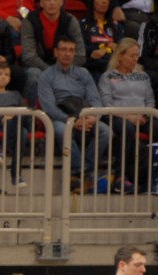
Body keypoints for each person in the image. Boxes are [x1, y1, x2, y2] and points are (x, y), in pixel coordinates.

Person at [39, 38, 113, 194]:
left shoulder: (83, 73)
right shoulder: (46, 75)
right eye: (64, 49)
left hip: (83, 113)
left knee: (106, 131)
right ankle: (82, 171)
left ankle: (81, 171)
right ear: (56, 52)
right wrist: (70, 121)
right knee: (61, 130)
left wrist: (94, 117)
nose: (67, 54)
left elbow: (95, 99)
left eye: (71, 50)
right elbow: (48, 106)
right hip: (61, 116)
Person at [98, 39, 158, 191]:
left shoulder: (143, 76)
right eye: (131, 56)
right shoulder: (108, 76)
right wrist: (128, 116)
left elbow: (150, 100)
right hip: (117, 116)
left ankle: (157, 174)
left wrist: (145, 114)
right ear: (120, 56)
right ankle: (120, 176)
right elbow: (107, 103)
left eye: (137, 56)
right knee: (127, 128)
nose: (135, 59)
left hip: (142, 116)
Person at [20, 0, 86, 104]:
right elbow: (29, 56)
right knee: (33, 74)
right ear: (41, 3)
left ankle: (75, 111)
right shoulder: (30, 20)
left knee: (83, 73)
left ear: (61, 3)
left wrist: (62, 69)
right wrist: (52, 71)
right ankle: (33, 111)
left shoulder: (70, 20)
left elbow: (80, 55)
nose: (52, 3)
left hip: (64, 66)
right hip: (38, 66)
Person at [0, 62, 32, 191]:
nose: (4, 77)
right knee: (22, 133)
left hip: (17, 122)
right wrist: (2, 117)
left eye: (7, 74)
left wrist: (13, 116)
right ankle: (16, 176)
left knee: (19, 124)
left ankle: (3, 151)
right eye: (0, 74)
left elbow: (26, 114)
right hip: (0, 125)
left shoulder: (16, 94)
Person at [81, 0, 124, 82]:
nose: (104, 1)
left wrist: (116, 48)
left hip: (112, 66)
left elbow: (123, 47)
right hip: (92, 66)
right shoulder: (83, 24)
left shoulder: (116, 26)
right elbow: (80, 47)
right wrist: (97, 48)